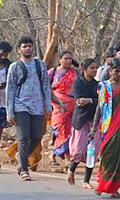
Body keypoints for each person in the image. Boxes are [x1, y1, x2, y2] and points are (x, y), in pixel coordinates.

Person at [4, 36, 52, 181]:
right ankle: (24, 170)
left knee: (37, 135)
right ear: (19, 50)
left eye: (30, 46)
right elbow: (10, 90)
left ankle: (21, 156)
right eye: (24, 46)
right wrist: (10, 112)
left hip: (37, 106)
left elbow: (45, 86)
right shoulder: (15, 67)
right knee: (23, 137)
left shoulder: (41, 65)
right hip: (20, 106)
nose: (28, 49)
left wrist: (48, 106)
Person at [94, 58, 120, 197]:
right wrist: (93, 128)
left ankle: (114, 189)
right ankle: (102, 186)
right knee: (108, 155)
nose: (118, 74)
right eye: (116, 71)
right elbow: (99, 107)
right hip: (108, 125)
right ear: (110, 71)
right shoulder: (104, 86)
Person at [67, 57, 100, 187]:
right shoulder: (78, 83)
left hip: (95, 120)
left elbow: (101, 100)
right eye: (92, 68)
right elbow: (79, 100)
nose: (95, 70)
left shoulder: (98, 84)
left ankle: (86, 180)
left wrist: (90, 100)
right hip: (81, 120)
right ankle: (71, 170)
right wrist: (90, 100)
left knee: (93, 150)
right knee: (79, 149)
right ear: (84, 69)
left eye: (96, 68)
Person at [48, 49, 78, 161]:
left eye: (70, 59)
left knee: (69, 130)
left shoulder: (76, 73)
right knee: (60, 129)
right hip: (58, 105)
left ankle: (58, 154)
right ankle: (65, 157)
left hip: (73, 106)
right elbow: (46, 87)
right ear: (60, 60)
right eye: (66, 58)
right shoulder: (53, 72)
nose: (68, 61)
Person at [0, 40, 10, 145]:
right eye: (2, 53)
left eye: (6, 54)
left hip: (4, 102)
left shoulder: (10, 66)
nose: (4, 56)